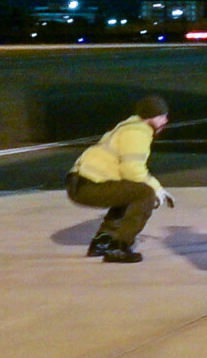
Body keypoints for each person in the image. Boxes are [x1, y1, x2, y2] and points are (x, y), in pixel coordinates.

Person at [68, 95, 174, 263]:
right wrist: (157, 188)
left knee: (128, 192)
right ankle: (119, 246)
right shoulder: (138, 132)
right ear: (150, 117)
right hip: (88, 186)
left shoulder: (129, 127)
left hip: (82, 183)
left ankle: (102, 242)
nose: (165, 120)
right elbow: (133, 171)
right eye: (161, 116)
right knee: (145, 193)